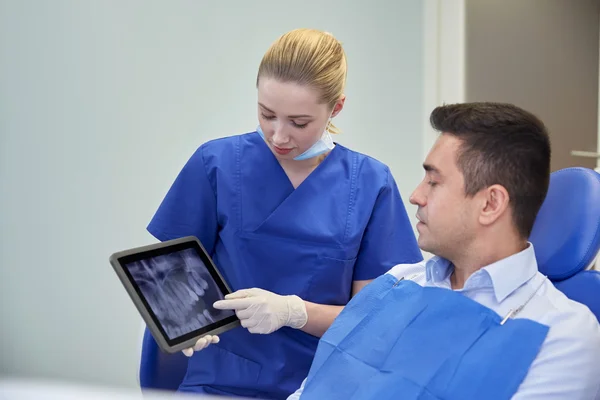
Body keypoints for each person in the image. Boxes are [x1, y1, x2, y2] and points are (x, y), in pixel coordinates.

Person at [146, 28, 423, 398]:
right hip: (220, 381)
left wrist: (295, 312)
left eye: (299, 123)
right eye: (267, 114)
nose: (278, 136)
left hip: (324, 386)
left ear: (336, 108)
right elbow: (168, 274)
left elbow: (376, 321)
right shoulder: (217, 164)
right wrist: (179, 319)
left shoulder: (371, 184)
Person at [288, 102, 600, 400]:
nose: (415, 195)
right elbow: (313, 389)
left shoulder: (563, 335)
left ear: (490, 204)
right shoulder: (396, 284)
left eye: (434, 182)